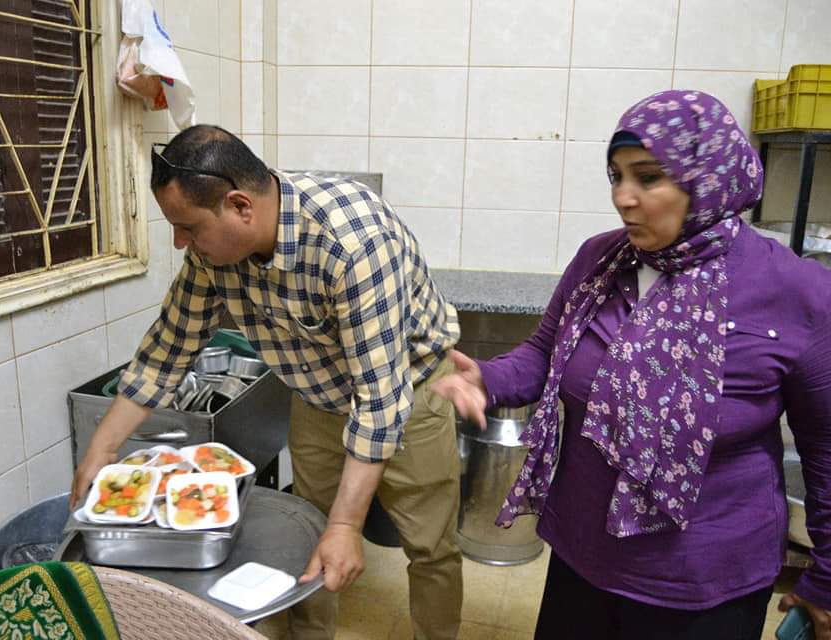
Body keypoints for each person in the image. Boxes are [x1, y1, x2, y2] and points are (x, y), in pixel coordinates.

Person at [431, 89, 831, 639]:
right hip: (585, 555)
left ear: (707, 178)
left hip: (704, 581)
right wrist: (489, 379)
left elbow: (826, 449)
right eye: (616, 176)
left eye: (647, 178)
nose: (624, 197)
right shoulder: (601, 260)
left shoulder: (794, 291)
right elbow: (545, 353)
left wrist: (827, 578)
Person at [70, 125, 464, 640]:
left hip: (409, 397)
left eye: (188, 227)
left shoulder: (352, 242)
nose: (180, 242)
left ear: (240, 206)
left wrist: (348, 525)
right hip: (318, 399)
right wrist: (101, 449)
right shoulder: (211, 258)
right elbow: (166, 352)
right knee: (309, 535)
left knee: (430, 548)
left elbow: (380, 401)